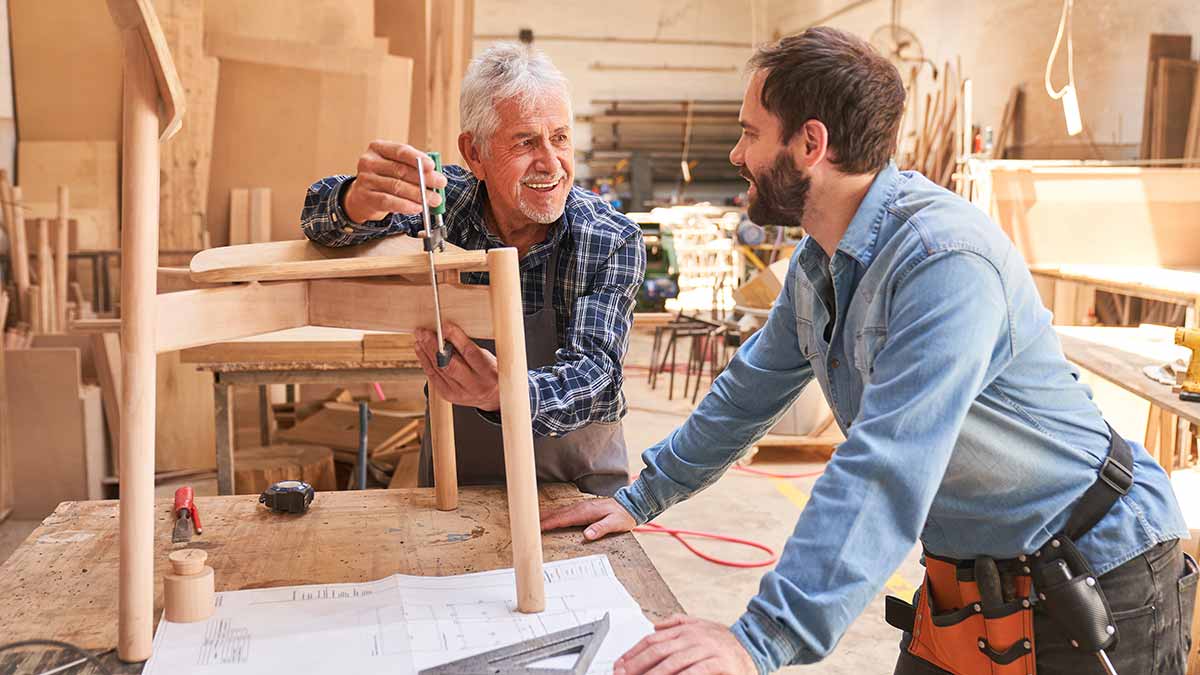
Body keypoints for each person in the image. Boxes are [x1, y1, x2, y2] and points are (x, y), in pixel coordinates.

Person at [542, 27, 1196, 675]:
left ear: (809, 144)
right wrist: (642, 495)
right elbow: (747, 393)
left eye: (749, 132)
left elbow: (886, 464)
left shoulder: (944, 263)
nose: (736, 154)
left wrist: (758, 637)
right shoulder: (817, 265)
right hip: (969, 578)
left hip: (1097, 571)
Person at [300, 43, 646, 496]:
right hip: (456, 478)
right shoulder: (443, 209)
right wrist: (357, 203)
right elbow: (320, 223)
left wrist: (501, 392)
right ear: (475, 153)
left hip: (577, 485)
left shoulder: (609, 238)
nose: (550, 162)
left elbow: (597, 377)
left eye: (560, 138)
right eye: (525, 142)